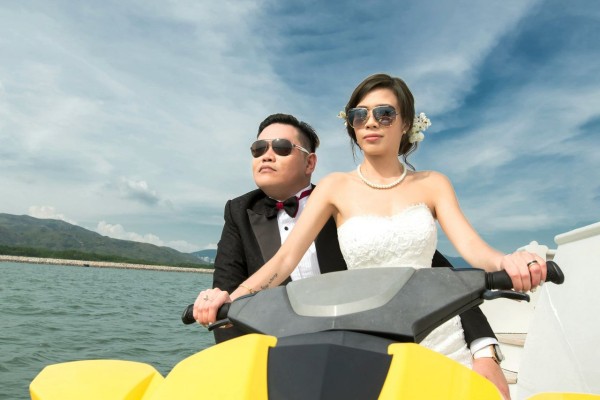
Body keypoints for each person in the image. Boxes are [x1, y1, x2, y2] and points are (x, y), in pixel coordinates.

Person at [196, 110, 511, 395]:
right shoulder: (238, 211)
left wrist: (484, 349)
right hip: (278, 361)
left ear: (310, 163)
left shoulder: (344, 202)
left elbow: (433, 269)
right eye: (258, 149)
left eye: (280, 147)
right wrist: (240, 374)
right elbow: (228, 294)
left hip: (357, 352)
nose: (266, 155)